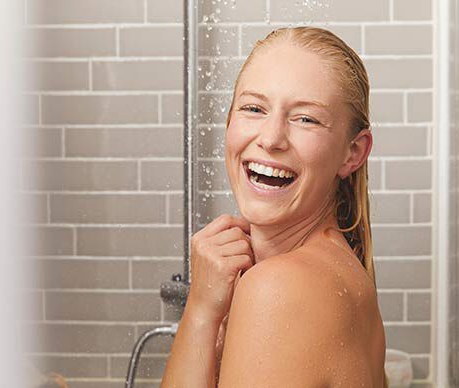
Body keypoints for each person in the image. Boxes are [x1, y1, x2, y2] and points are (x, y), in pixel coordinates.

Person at [160, 26, 389, 388]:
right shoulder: (338, 269)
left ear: (354, 152)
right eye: (253, 108)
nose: (270, 138)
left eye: (305, 118)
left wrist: (201, 312)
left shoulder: (281, 288)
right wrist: (204, 305)